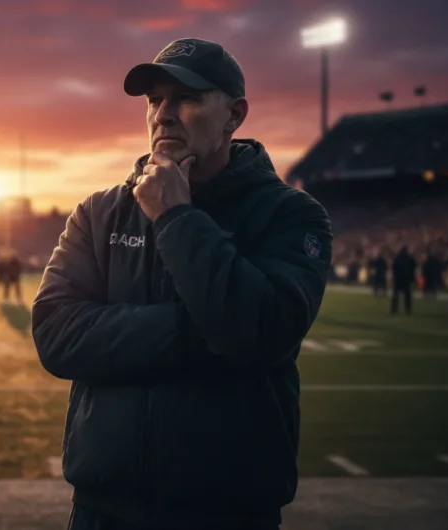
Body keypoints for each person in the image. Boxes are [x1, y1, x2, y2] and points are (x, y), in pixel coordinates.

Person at [31, 38, 332, 530]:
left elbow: (260, 331)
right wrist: (206, 333)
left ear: (235, 115)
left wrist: (175, 217)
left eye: (186, 98)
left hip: (231, 513)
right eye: (155, 101)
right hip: (102, 510)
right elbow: (56, 336)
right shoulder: (99, 211)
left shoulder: (290, 214)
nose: (163, 115)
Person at [391, 245, 416, 315]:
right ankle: (408, 309)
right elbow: (413, 266)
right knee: (407, 296)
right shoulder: (409, 258)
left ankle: (394, 309)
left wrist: (394, 277)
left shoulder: (397, 257)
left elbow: (394, 267)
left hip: (398, 279)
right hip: (406, 279)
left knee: (395, 295)